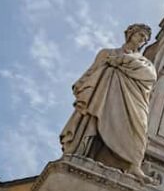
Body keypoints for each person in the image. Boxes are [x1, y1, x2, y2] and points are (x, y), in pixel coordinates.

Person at [59, 23, 157, 180]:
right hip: (103, 95)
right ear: (130, 34)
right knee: (93, 121)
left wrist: (122, 61)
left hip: (131, 100)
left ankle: (133, 164)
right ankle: (82, 152)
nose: (142, 41)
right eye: (140, 35)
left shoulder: (145, 63)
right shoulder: (107, 53)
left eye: (145, 39)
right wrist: (81, 84)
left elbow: (150, 76)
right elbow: (92, 70)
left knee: (138, 128)